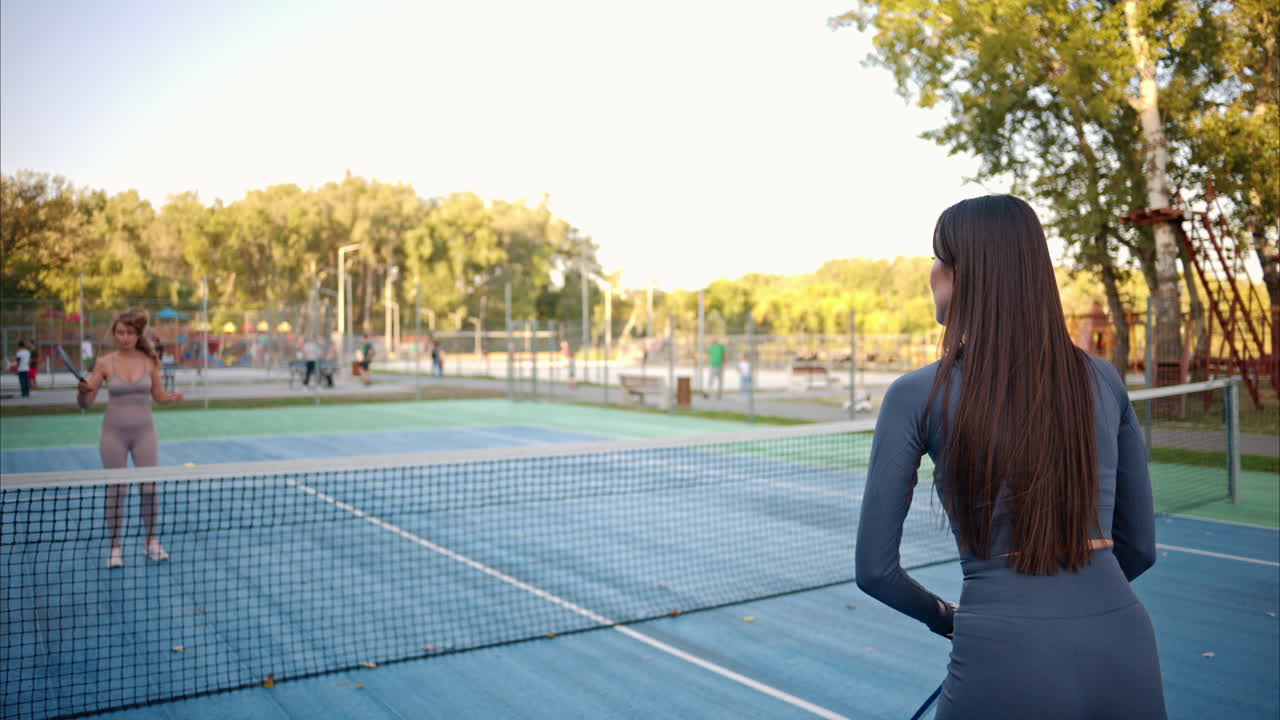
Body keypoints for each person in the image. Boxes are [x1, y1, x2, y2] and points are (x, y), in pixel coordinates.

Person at [854, 195, 1164, 718]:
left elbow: (875, 571)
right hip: (1123, 641)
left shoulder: (915, 394)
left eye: (939, 256)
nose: (931, 270)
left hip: (1001, 651)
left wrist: (947, 617)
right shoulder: (1104, 379)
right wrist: (1079, 605)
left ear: (963, 273)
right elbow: (1140, 549)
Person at [77, 309, 185, 569]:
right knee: (116, 490)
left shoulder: (150, 361)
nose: (124, 338)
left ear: (138, 335)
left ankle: (151, 541)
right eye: (120, 332)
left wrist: (171, 397)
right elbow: (86, 403)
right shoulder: (104, 363)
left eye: (129, 333)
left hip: (144, 433)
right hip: (113, 434)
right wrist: (82, 392)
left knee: (149, 488)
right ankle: (115, 547)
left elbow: (158, 396)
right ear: (114, 334)